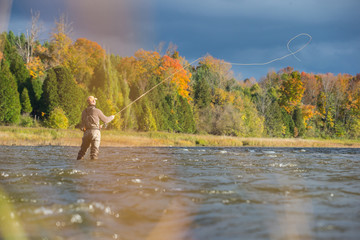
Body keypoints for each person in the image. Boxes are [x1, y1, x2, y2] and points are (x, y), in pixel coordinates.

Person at [77, 96, 115, 160]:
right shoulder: (97, 111)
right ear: (93, 101)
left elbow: (82, 126)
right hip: (95, 133)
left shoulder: (84, 112)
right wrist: (112, 117)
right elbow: (106, 120)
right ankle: (93, 168)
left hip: (86, 133)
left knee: (82, 152)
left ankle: (78, 164)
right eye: (95, 100)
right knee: (94, 153)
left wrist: (95, 127)